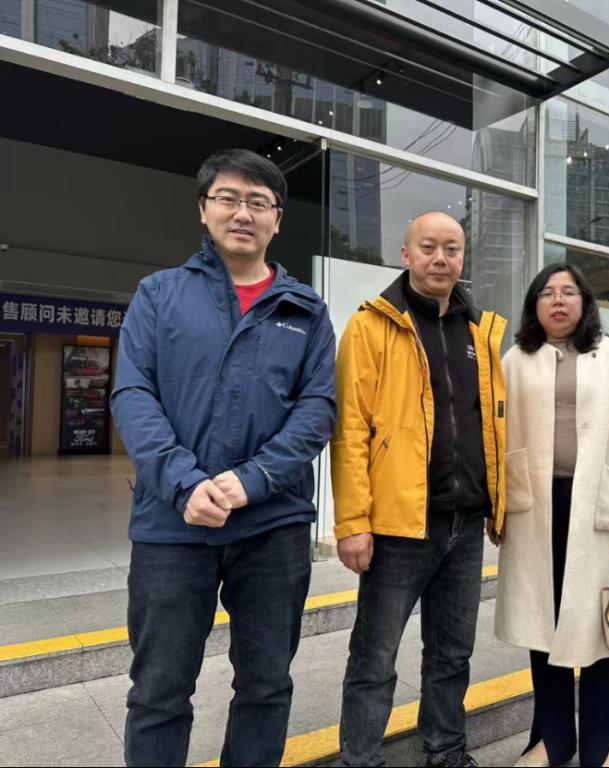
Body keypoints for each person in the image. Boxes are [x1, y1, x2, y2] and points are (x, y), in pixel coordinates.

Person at [111, 148, 337, 767]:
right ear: (203, 210)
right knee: (159, 691)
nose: (243, 213)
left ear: (277, 220)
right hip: (171, 523)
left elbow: (318, 409)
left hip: (272, 525)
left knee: (266, 685)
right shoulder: (159, 294)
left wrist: (252, 480)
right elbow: (132, 394)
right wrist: (185, 483)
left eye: (258, 202)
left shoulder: (305, 310)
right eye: (228, 198)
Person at [332, 211, 507, 767]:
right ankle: (360, 760)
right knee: (374, 659)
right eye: (428, 247)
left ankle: (445, 751)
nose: (440, 258)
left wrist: (499, 503)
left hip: (466, 524)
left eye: (452, 249)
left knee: (452, 654)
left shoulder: (480, 332)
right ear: (406, 255)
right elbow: (350, 429)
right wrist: (352, 523)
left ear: (462, 258)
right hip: (397, 528)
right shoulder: (372, 326)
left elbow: (492, 424)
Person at [493, 263, 609, 768]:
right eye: (548, 293)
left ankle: (605, 746)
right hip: (534, 510)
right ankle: (552, 740)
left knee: (602, 630)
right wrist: (495, 505)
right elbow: (494, 439)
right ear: (535, 305)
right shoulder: (515, 360)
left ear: (585, 302)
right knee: (542, 629)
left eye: (569, 292)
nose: (559, 301)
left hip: (598, 510)